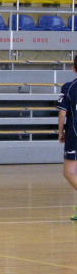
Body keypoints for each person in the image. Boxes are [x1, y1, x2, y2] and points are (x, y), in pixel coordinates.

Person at [57, 57, 77, 220]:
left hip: (74, 133)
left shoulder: (69, 87)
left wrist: (60, 132)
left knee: (69, 173)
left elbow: (63, 112)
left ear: (73, 68)